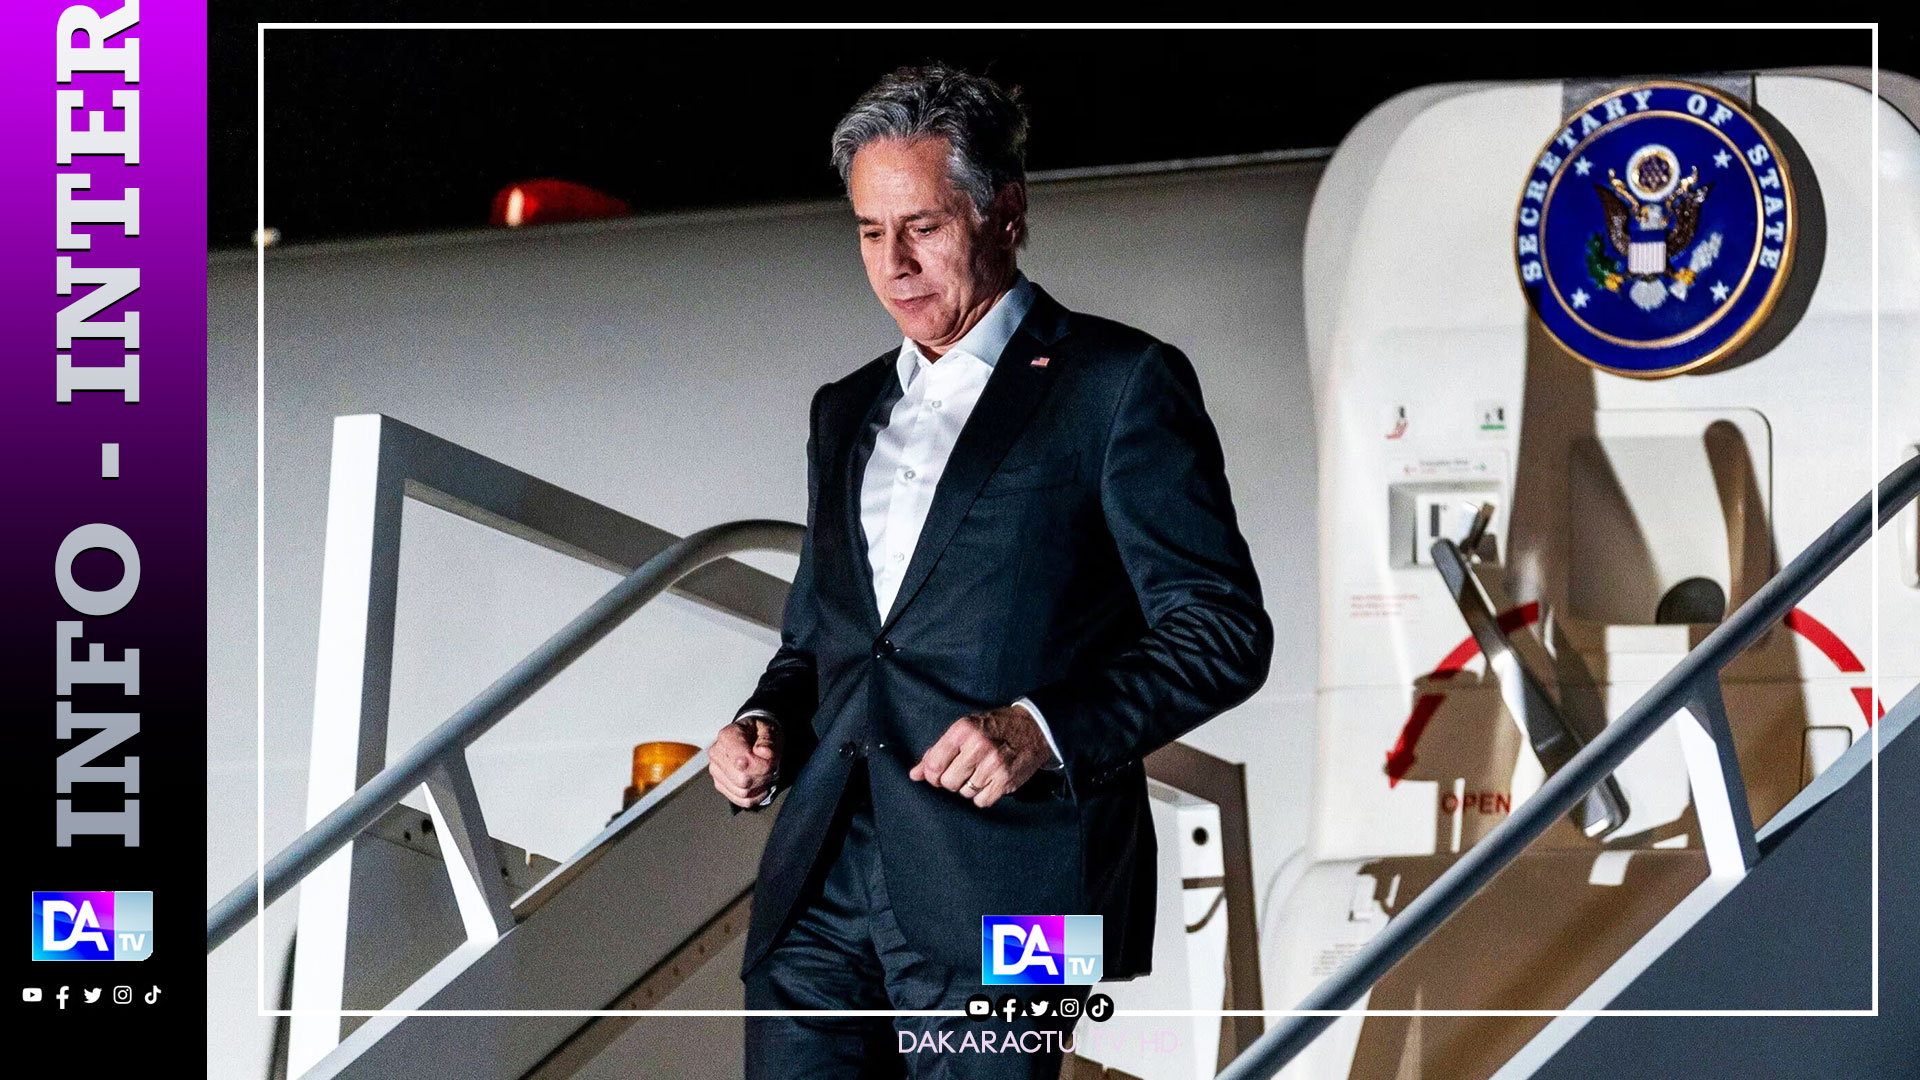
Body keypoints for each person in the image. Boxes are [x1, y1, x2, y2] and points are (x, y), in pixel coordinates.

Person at [706, 62, 1273, 1079]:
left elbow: (1223, 633)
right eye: (870, 233)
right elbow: (822, 641)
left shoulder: (1119, 383)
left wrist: (1039, 729)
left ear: (1006, 214)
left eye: (922, 227)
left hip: (1028, 890)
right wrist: (766, 723)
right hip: (820, 884)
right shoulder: (843, 409)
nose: (894, 265)